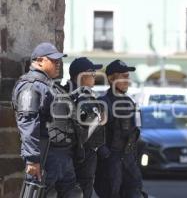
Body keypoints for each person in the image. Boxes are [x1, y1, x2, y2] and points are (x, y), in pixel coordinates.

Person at [12, 42, 82, 197]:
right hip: (46, 157)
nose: (58, 65)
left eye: (59, 61)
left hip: (62, 156)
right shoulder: (31, 86)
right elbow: (27, 122)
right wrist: (32, 159)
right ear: (39, 61)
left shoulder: (49, 86)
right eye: (54, 61)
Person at [94, 59, 144, 198]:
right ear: (111, 79)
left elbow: (136, 131)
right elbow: (95, 134)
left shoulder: (130, 102)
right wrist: (107, 156)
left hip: (129, 162)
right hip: (111, 164)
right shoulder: (103, 103)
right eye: (123, 76)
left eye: (128, 76)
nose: (127, 80)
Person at [64, 57, 105, 198]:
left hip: (70, 153)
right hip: (83, 154)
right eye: (92, 73)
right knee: (83, 191)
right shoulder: (82, 96)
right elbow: (90, 124)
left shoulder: (65, 92)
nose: (95, 76)